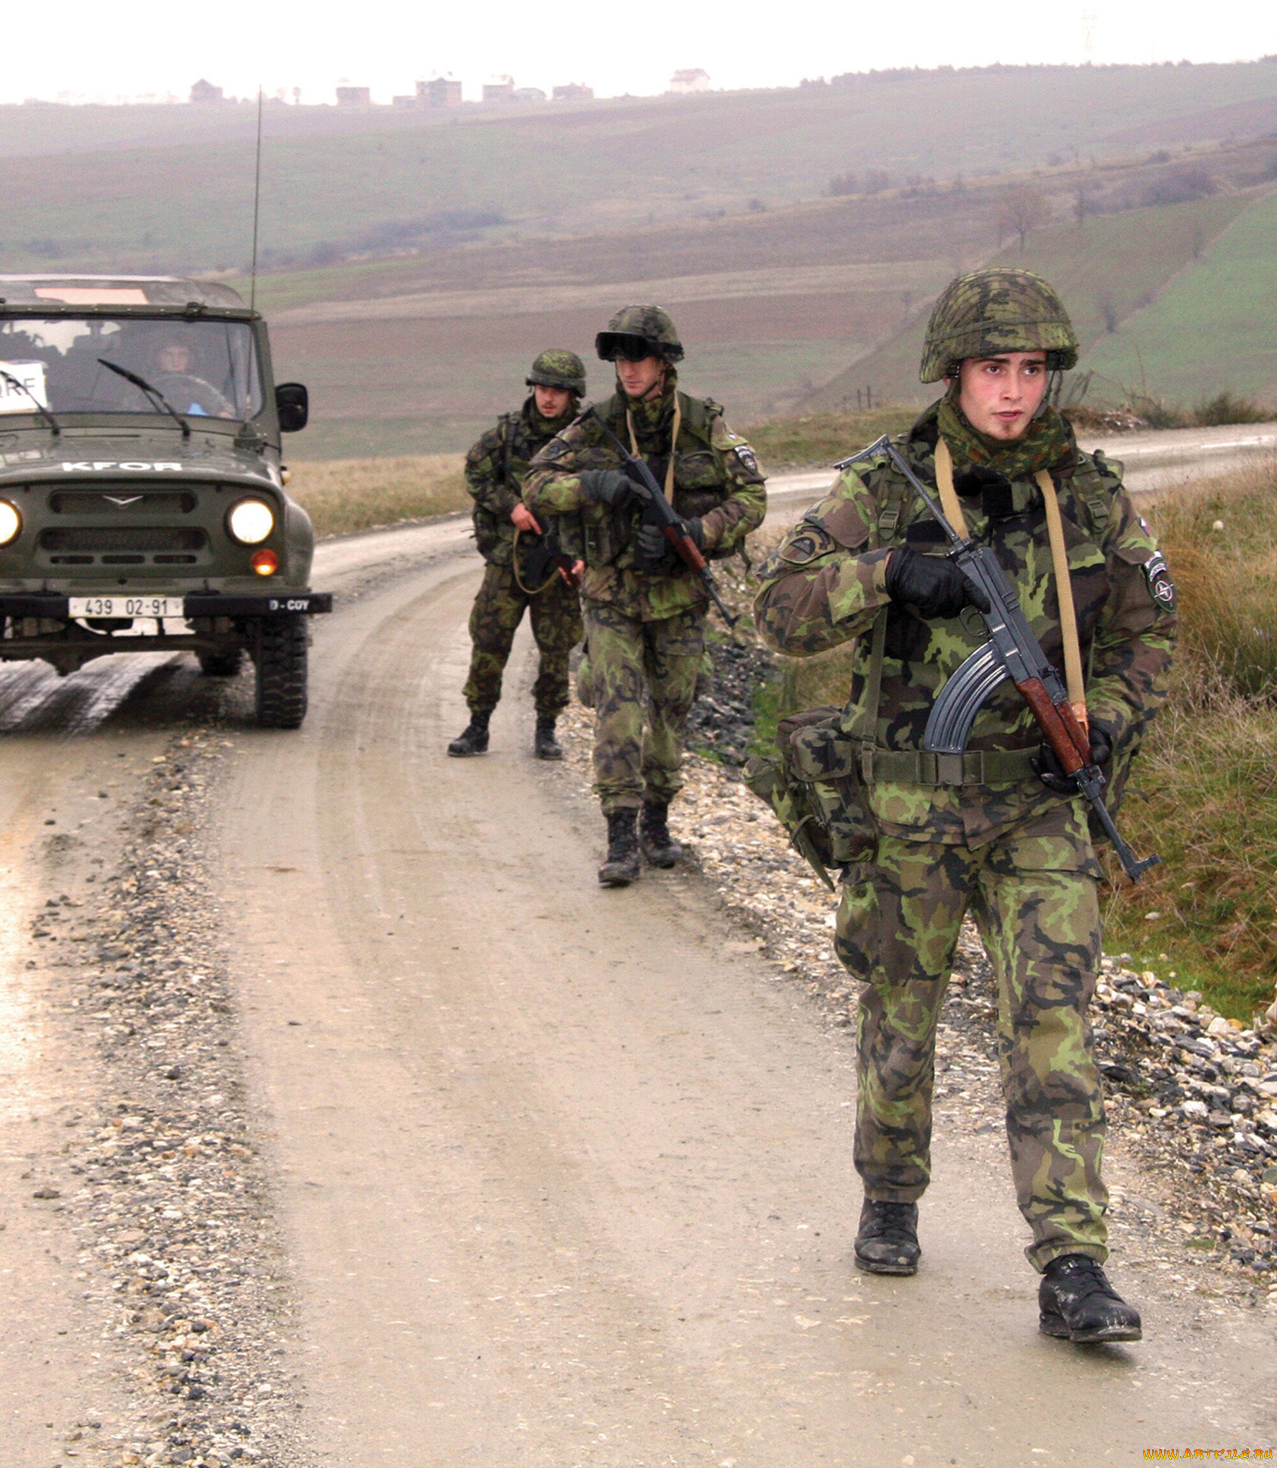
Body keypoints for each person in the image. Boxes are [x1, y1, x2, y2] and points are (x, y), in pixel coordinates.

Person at [753, 268, 1177, 1344]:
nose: (1013, 392)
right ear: (955, 372)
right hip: (911, 806)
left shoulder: (1085, 494)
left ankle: (1071, 1261)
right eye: (994, 369)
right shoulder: (886, 486)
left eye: (1030, 370)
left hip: (1040, 807)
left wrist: (1103, 723)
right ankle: (889, 1191)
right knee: (901, 1013)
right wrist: (891, 571)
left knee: (1051, 1026)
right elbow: (781, 608)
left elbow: (1146, 631)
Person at [523, 306, 765, 885]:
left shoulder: (705, 424)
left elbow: (752, 497)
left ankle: (657, 820)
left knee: (672, 711)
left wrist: (696, 532)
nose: (629, 369)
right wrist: (589, 485)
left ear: (665, 361)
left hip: (679, 598)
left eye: (640, 357)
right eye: (620, 358)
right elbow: (535, 482)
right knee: (618, 711)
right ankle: (620, 835)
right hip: (612, 593)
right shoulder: (598, 424)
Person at [448, 349, 587, 760]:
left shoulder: (586, 438)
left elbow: (600, 500)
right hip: (508, 558)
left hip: (557, 559)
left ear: (572, 395)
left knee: (556, 647)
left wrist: (583, 555)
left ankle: (547, 729)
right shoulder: (508, 433)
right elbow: (476, 472)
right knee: (489, 641)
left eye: (558, 391)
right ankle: (478, 726)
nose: (548, 398)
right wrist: (511, 507)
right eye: (543, 388)